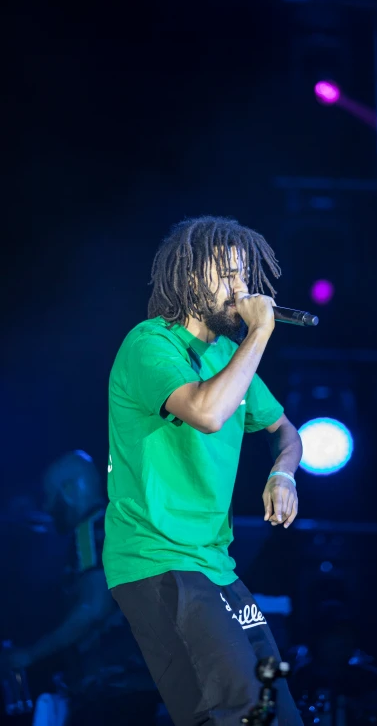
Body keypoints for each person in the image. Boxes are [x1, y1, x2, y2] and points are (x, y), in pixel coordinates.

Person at [104, 216, 304, 726]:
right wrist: (261, 330)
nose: (241, 289)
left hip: (214, 563)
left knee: (274, 708)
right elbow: (207, 412)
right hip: (156, 558)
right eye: (227, 276)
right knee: (238, 709)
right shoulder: (150, 345)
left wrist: (284, 473)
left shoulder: (226, 355)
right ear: (191, 278)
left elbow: (287, 432)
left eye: (245, 276)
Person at [0, 450, 157, 725]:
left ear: (70, 490)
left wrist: (30, 655)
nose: (47, 507)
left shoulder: (88, 530)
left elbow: (93, 608)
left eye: (50, 496)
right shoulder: (123, 524)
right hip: (143, 685)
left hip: (111, 688)